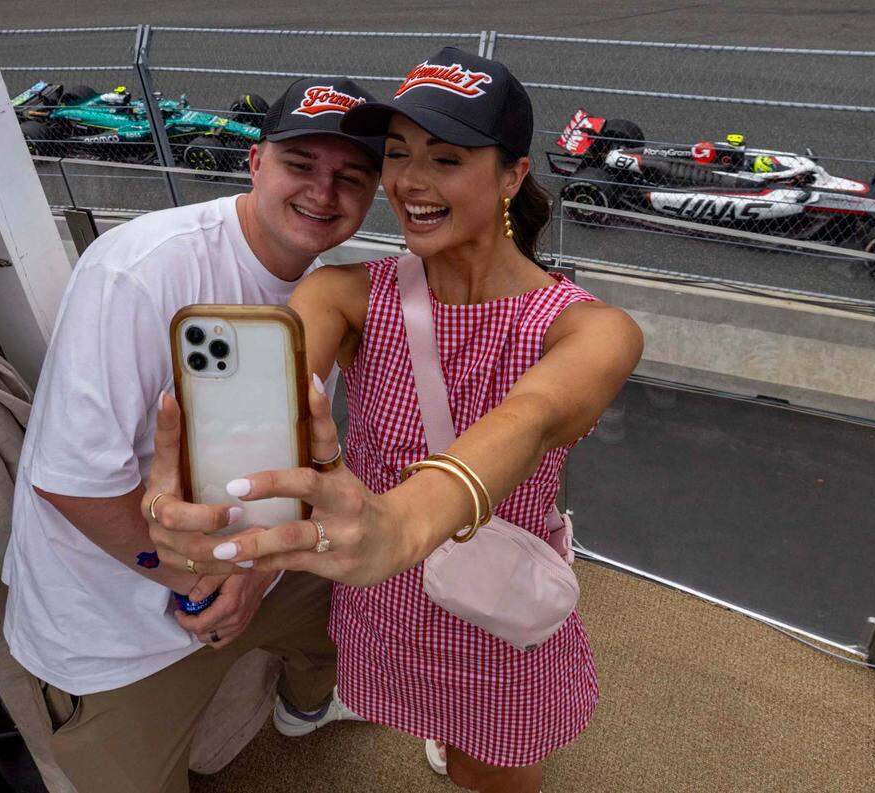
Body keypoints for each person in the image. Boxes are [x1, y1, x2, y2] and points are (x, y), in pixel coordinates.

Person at [147, 48, 643, 793]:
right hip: (384, 595)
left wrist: (406, 524)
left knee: (495, 772)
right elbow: (270, 399)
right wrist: (201, 491)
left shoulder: (587, 329)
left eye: (446, 158)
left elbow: (533, 414)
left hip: (491, 612)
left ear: (512, 175)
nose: (409, 181)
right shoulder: (345, 293)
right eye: (399, 154)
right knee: (433, 722)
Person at [1, 77, 384, 793]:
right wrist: (203, 581)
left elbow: (303, 464)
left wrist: (256, 572)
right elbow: (70, 479)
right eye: (302, 166)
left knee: (360, 599)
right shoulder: (141, 271)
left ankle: (306, 702)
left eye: (351, 178)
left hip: (254, 559)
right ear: (255, 163)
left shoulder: (330, 292)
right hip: (111, 613)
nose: (324, 194)